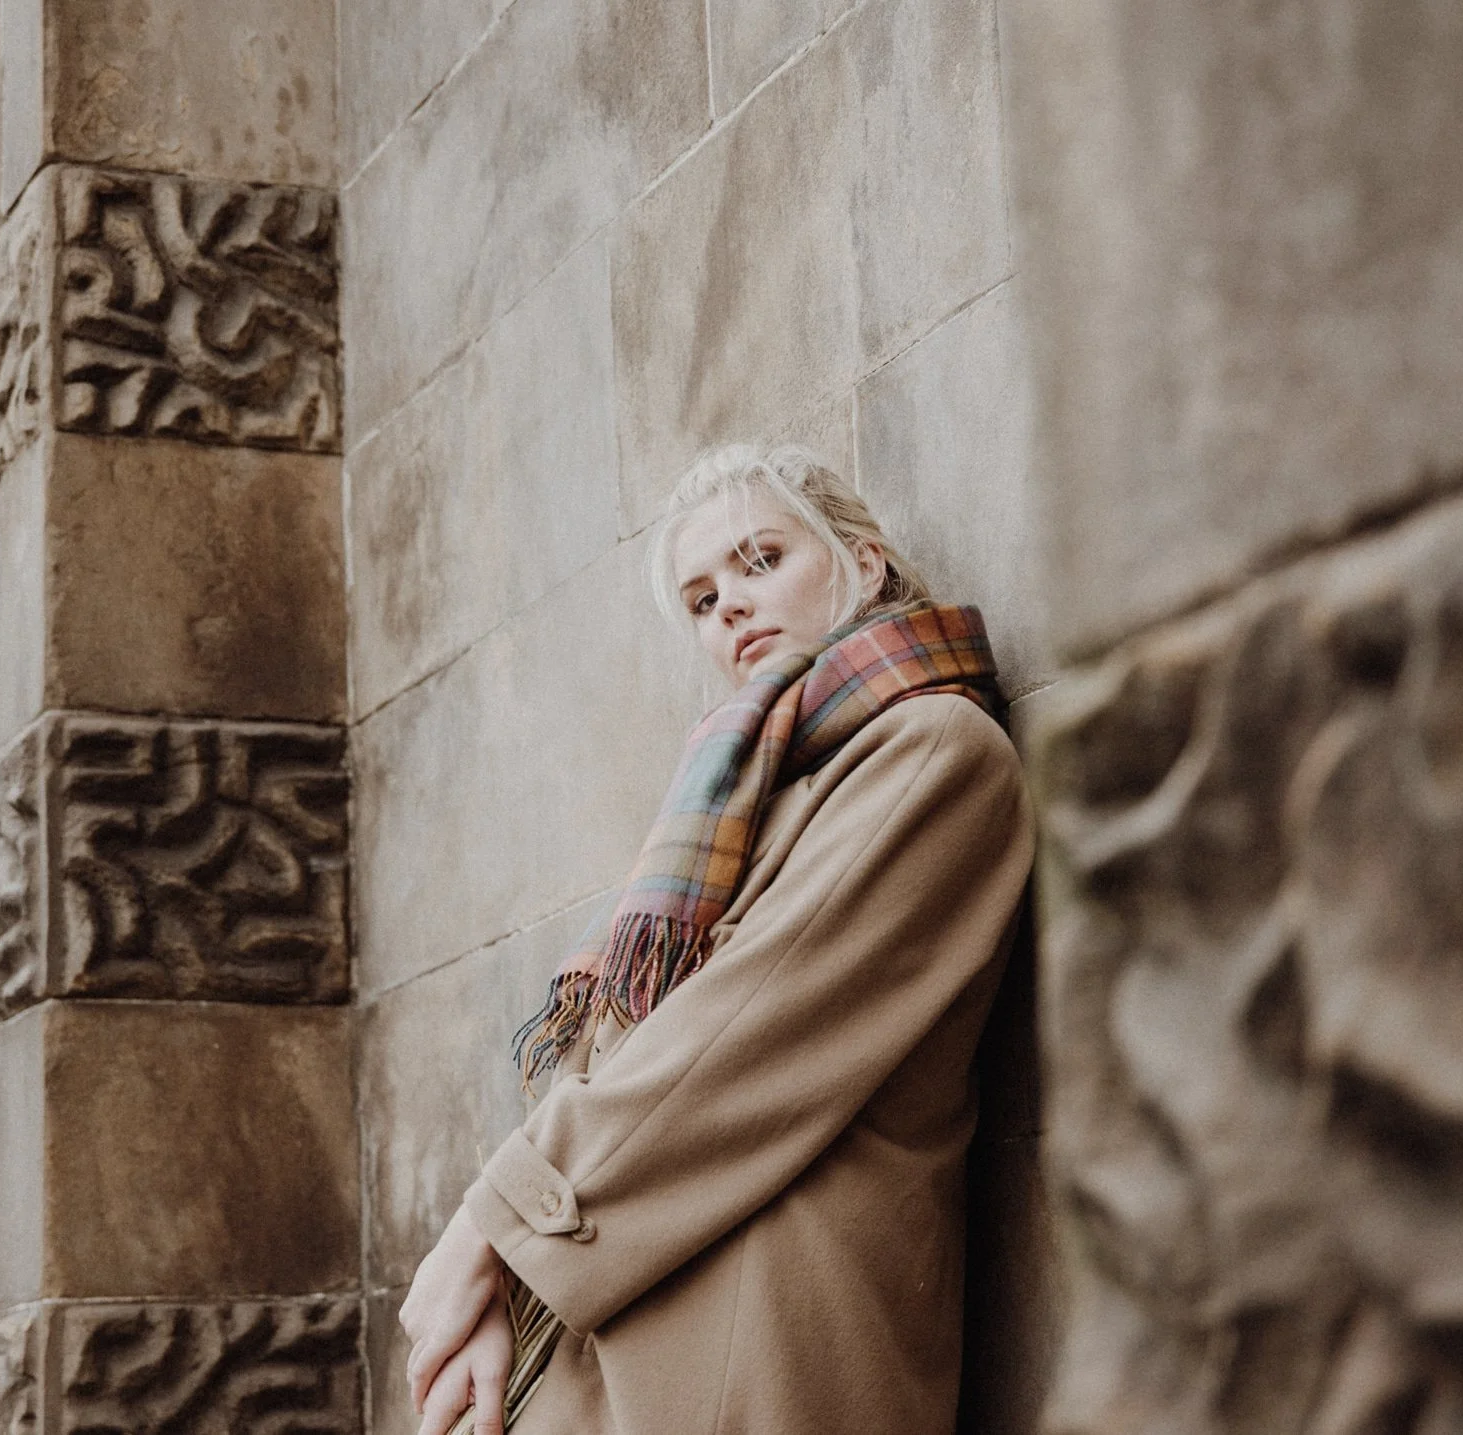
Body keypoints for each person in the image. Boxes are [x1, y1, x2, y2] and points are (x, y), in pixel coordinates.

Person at [398, 443, 1036, 1435]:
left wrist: (490, 1232)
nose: (729, 605)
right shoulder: (734, 796)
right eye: (700, 598)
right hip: (630, 1306)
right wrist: (508, 1288)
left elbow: (735, 1039)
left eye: (759, 560)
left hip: (768, 1333)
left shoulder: (930, 752)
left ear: (862, 564)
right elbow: (620, 1064)